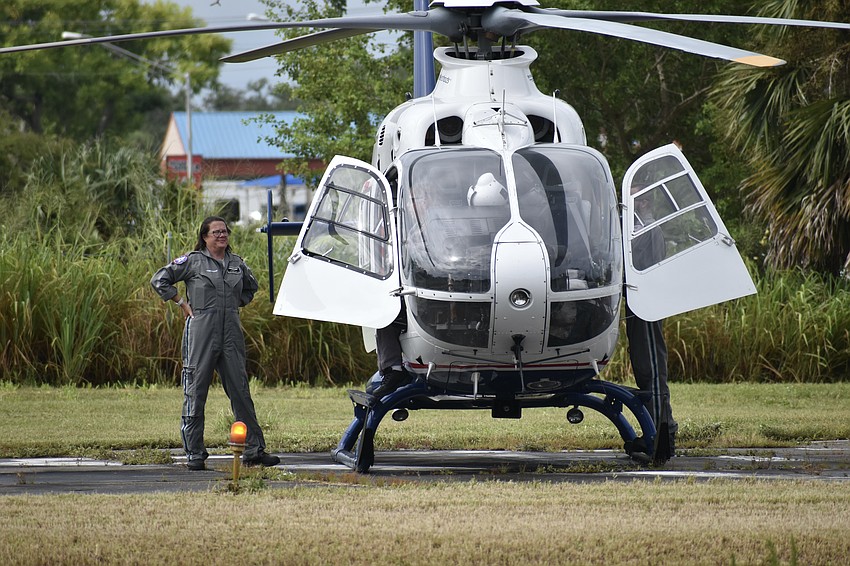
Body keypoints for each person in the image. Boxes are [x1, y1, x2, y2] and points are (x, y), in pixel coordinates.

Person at [150, 216, 280, 471]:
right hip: (201, 331)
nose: (222, 235)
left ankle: (254, 450)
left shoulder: (236, 263)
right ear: (205, 236)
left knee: (241, 391)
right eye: (216, 232)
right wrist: (180, 302)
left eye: (225, 231)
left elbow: (250, 289)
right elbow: (160, 279)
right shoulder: (192, 261)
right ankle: (195, 453)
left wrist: (232, 305)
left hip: (231, 332)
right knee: (196, 391)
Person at [625, 183, 677, 462]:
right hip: (636, 301)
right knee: (644, 366)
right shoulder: (636, 227)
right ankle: (657, 431)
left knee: (651, 369)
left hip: (645, 303)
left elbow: (642, 267)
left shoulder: (648, 230)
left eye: (638, 199)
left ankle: (661, 435)